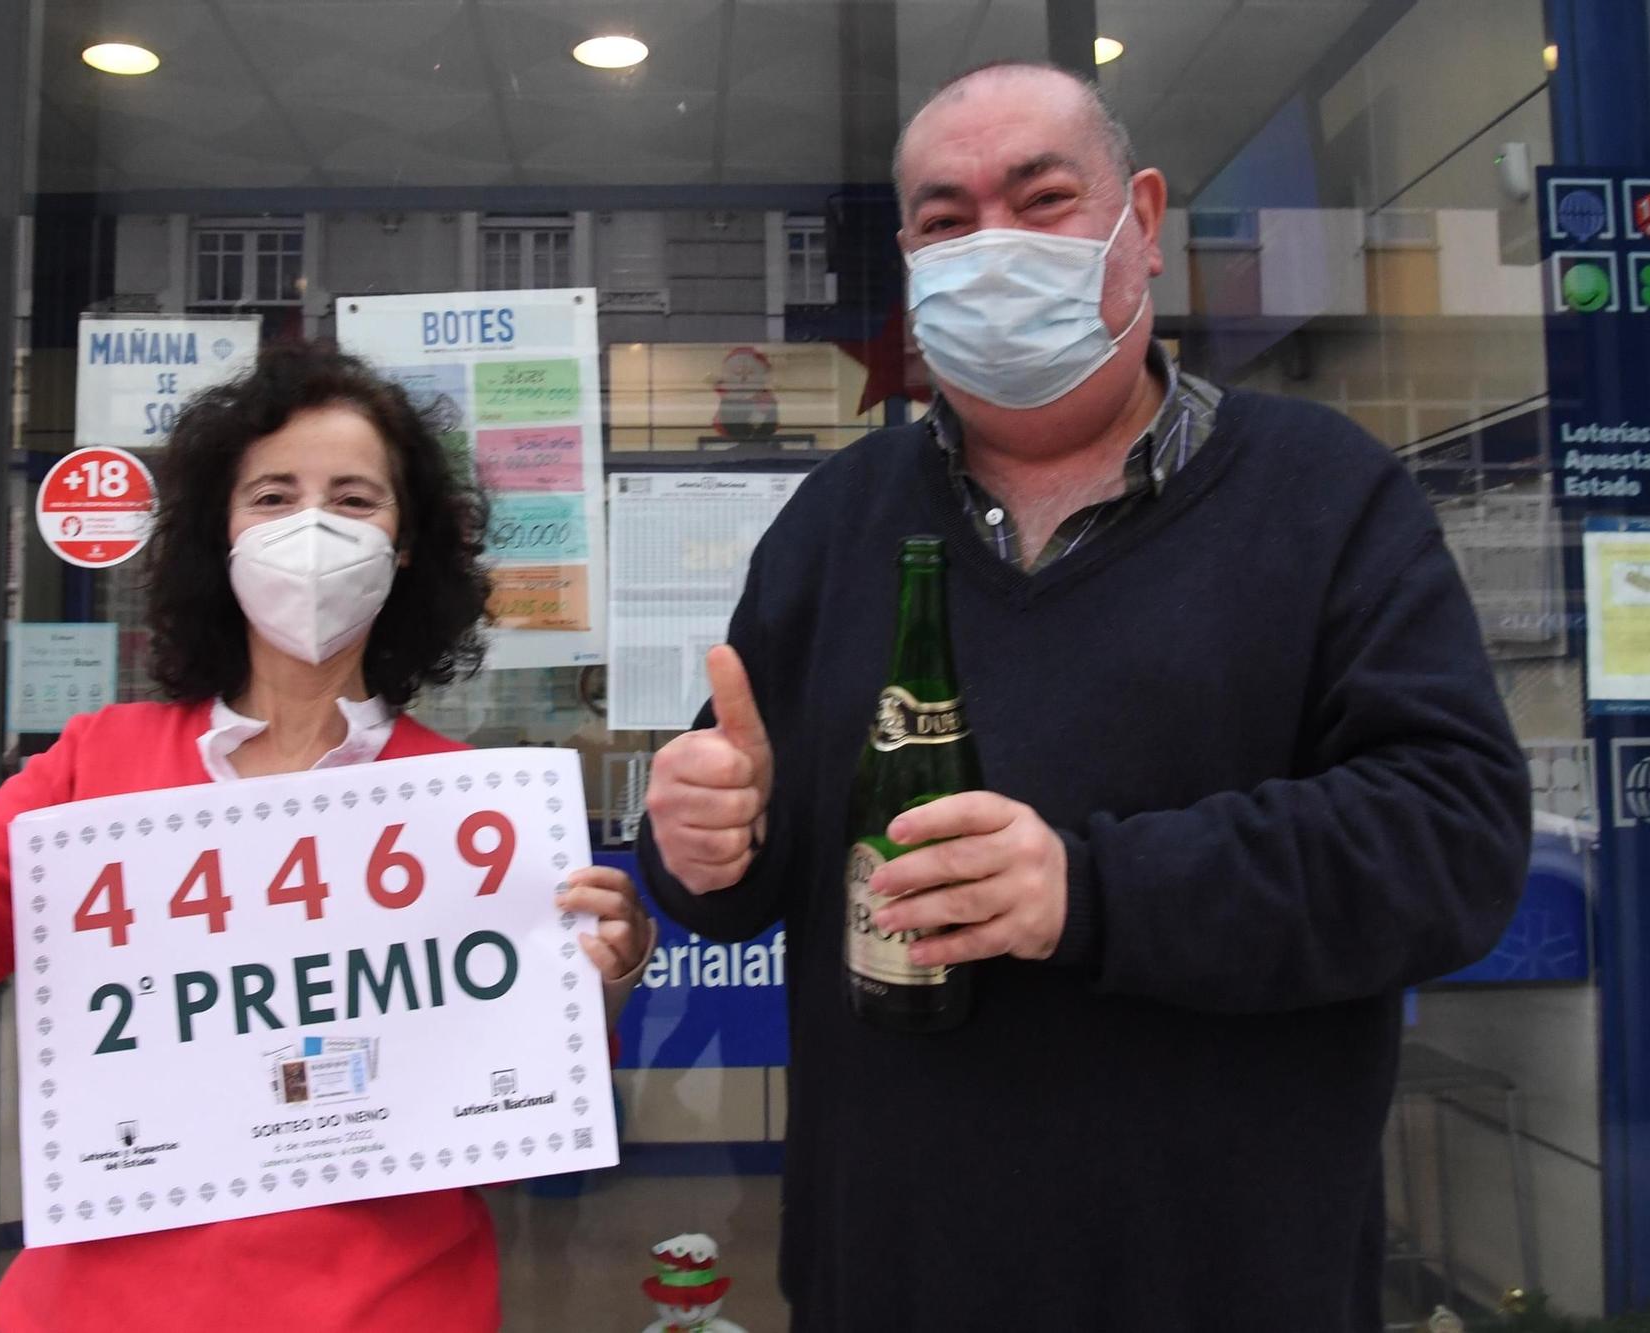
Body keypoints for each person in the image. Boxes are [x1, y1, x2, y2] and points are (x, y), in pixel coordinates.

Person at [639, 62, 1530, 1331]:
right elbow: (754, 849)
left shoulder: (1323, 498)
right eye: (946, 222)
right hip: (892, 1277)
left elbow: (1450, 841)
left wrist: (1093, 892)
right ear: (908, 256)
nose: (991, 245)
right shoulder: (838, 522)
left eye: (1041, 198)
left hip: (1223, 1280)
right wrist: (704, 846)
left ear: (1142, 222)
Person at [0, 342, 655, 1332]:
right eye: (273, 496)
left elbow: (518, 1112)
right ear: (222, 533)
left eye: (355, 498)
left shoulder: (468, 812)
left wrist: (600, 978)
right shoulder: (92, 769)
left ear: (406, 543)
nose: (313, 528)